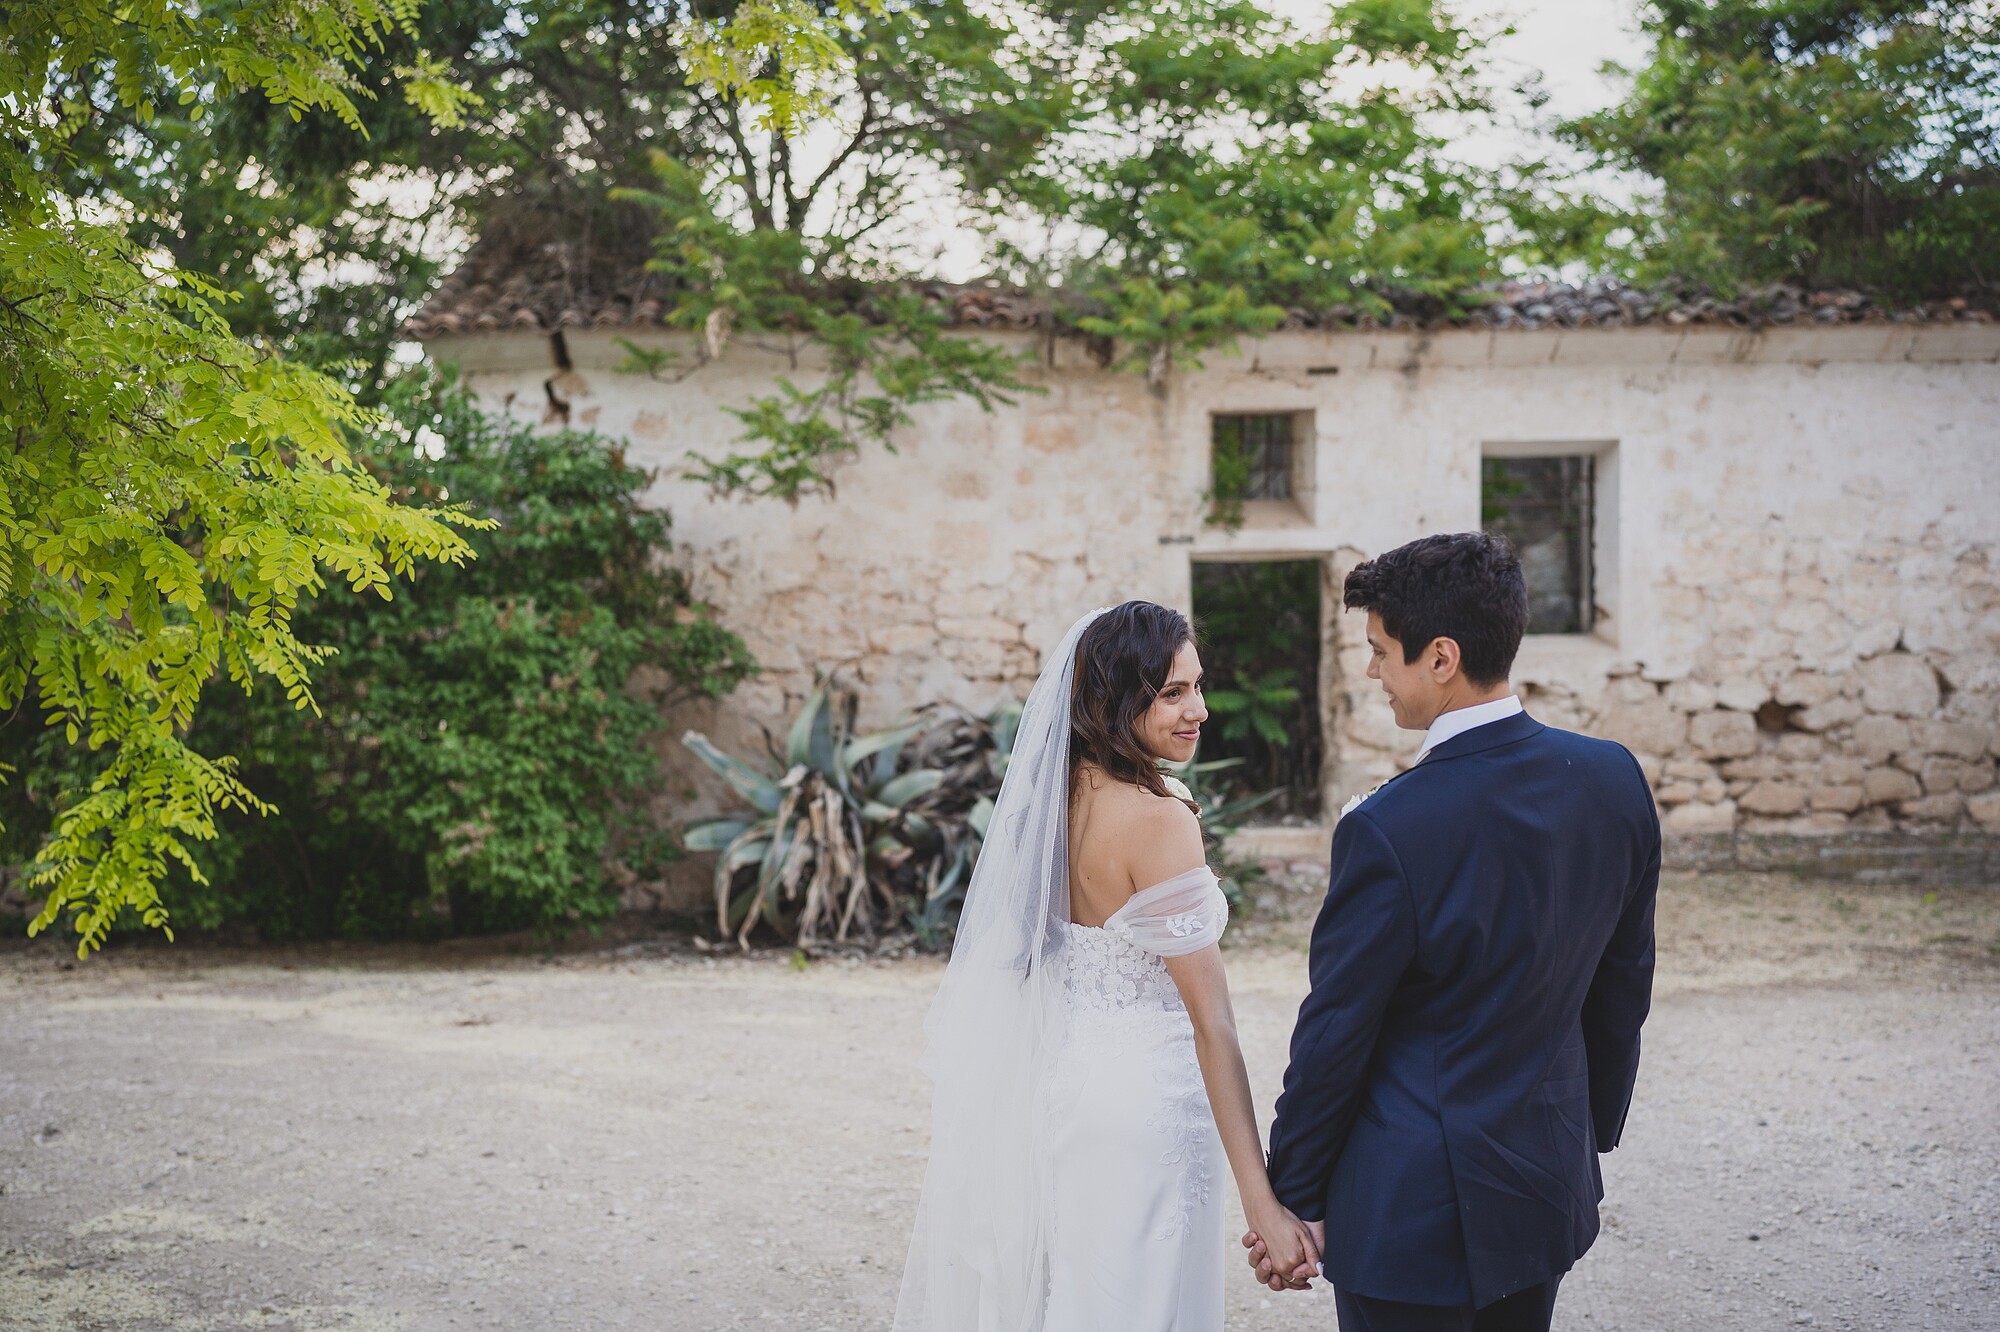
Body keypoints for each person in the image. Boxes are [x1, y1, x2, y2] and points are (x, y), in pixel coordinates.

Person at [1244, 532, 1660, 1332]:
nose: (1373, 673)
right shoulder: (1614, 780)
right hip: (1544, 1183)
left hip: (1408, 1214)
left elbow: (1336, 1033)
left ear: (1441, 657)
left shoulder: (1390, 828)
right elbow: (1623, 981)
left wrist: (1290, 1197)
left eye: (1380, 652)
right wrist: (1585, 1129)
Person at [892, 600, 1317, 1331]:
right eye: (1173, 693)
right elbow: (1212, 1024)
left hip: (1066, 1090)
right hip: (1148, 1105)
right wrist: (1264, 1204)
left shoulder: (1052, 808)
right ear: (1115, 701)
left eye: (1198, 686)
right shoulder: (1158, 819)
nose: (1200, 710)